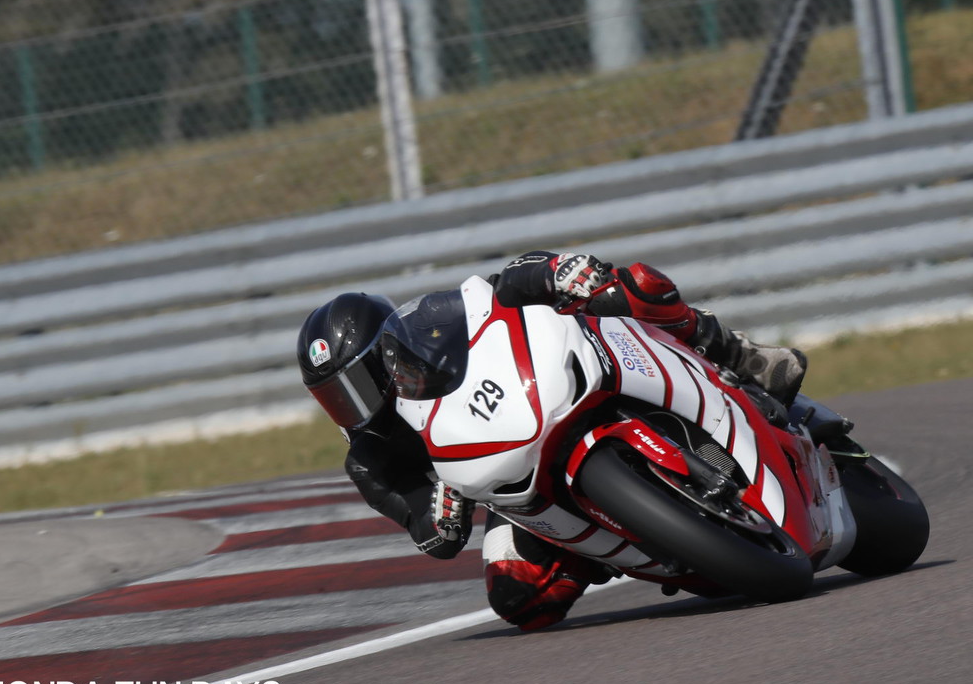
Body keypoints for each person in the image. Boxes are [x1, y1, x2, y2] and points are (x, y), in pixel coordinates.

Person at [295, 251, 808, 631]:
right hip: (506, 485)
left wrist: (556, 271)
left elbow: (495, 290)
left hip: (531, 396)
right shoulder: (369, 460)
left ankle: (736, 353)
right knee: (518, 598)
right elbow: (430, 533)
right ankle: (615, 543)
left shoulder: (426, 330)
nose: (354, 407)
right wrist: (442, 512)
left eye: (359, 384)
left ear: (386, 352)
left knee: (628, 286)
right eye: (335, 397)